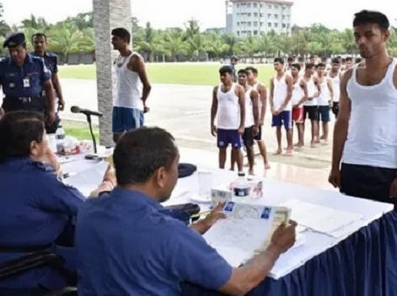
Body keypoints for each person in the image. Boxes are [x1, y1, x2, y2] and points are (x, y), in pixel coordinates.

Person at [75, 127, 297, 295]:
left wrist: (201, 225)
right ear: (161, 176)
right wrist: (276, 247)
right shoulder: (166, 232)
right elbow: (240, 283)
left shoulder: (88, 209)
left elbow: (150, 247)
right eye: (175, 168)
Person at [0, 111, 114, 294]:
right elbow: (91, 209)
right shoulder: (36, 178)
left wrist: (51, 168)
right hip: (19, 272)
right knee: (107, 263)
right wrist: (108, 183)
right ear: (33, 147)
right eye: (45, 140)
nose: (48, 145)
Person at [329, 10, 397, 227]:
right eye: (357, 36)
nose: (361, 41)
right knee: (351, 229)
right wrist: (335, 165)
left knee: (390, 231)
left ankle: (391, 263)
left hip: (387, 166)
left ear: (385, 36)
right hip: (353, 163)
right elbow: (342, 121)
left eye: (369, 35)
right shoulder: (348, 76)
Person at [0, 32, 57, 132]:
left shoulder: (38, 63)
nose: (14, 54)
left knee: (36, 137)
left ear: (25, 48)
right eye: (11, 51)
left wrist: (51, 110)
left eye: (17, 50)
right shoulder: (1, 66)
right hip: (12, 107)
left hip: (34, 106)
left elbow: (49, 87)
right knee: (13, 138)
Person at [111, 27, 152, 143]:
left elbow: (147, 85)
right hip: (118, 103)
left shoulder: (135, 59)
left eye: (115, 39)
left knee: (135, 140)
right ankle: (121, 160)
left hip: (132, 105)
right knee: (117, 138)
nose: (112, 41)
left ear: (124, 40)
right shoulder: (118, 59)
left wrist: (142, 102)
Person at [211, 66, 245, 173]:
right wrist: (212, 123)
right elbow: (214, 106)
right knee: (222, 149)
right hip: (221, 126)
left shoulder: (238, 88)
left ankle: (240, 170)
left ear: (231, 75)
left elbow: (243, 108)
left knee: (236, 149)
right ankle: (221, 170)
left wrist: (242, 125)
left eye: (224, 75)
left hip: (234, 126)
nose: (222, 78)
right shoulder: (216, 89)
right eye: (220, 75)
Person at [31, 33, 65, 112]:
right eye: (36, 42)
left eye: (41, 42)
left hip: (50, 96)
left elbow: (55, 80)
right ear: (32, 44)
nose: (39, 45)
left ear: (46, 44)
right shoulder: (29, 60)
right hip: (35, 99)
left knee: (53, 120)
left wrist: (61, 98)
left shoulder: (52, 58)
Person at [246, 67, 271, 169]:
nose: (247, 76)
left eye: (248, 74)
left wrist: (261, 119)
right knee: (248, 142)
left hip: (256, 117)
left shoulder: (260, 87)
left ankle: (265, 161)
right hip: (248, 117)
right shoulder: (244, 87)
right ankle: (251, 161)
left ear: (255, 74)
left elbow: (264, 104)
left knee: (259, 139)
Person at [269, 58, 294, 156]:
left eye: (277, 64)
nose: (276, 66)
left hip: (286, 108)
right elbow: (271, 94)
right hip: (276, 106)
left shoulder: (288, 77)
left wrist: (282, 107)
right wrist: (271, 106)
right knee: (277, 127)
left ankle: (289, 147)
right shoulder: (272, 78)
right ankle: (279, 147)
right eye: (274, 64)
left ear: (283, 65)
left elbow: (289, 93)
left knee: (288, 128)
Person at [237, 69, 259, 176]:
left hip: (248, 123)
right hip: (236, 122)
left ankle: (251, 168)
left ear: (247, 78)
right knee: (236, 147)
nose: (241, 78)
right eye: (239, 76)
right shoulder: (234, 90)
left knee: (249, 146)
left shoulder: (252, 92)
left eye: (243, 76)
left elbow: (255, 108)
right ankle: (237, 167)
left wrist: (256, 124)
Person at [302, 63, 322, 148]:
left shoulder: (314, 78)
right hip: (303, 103)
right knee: (301, 122)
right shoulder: (301, 78)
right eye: (313, 69)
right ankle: (301, 140)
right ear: (307, 69)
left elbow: (319, 90)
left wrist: (313, 96)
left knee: (313, 121)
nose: (314, 71)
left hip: (312, 103)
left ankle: (313, 140)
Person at [290, 63, 308, 147]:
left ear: (298, 70)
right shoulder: (289, 80)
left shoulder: (301, 81)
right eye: (291, 69)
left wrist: (299, 103)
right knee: (290, 125)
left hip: (298, 106)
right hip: (290, 106)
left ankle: (301, 141)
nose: (292, 71)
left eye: (294, 69)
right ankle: (290, 142)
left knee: (299, 124)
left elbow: (306, 95)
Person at [316, 62, 334, 143]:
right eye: (319, 68)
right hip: (316, 102)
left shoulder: (327, 79)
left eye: (323, 69)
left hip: (324, 102)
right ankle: (316, 136)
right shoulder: (314, 79)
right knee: (316, 121)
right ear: (317, 69)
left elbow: (331, 90)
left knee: (325, 121)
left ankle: (326, 137)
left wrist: (331, 100)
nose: (321, 70)